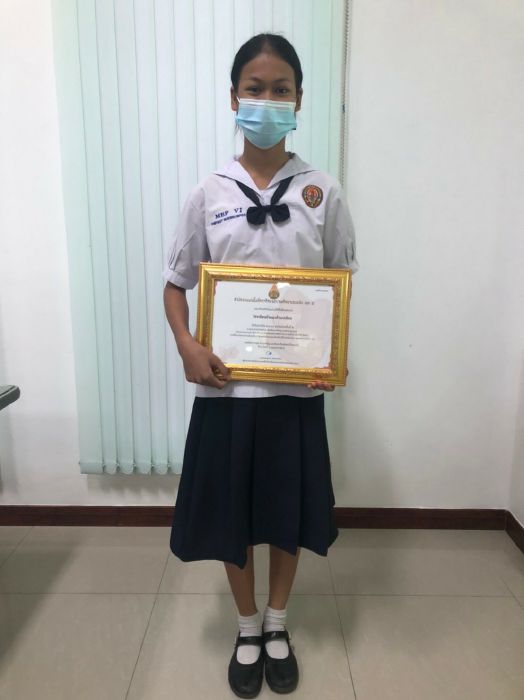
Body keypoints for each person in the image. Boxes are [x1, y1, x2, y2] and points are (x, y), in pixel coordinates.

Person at [163, 32, 359, 698]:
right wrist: (188, 345)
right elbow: (175, 285)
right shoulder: (208, 193)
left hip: (294, 395)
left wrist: (332, 357)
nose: (267, 100)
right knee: (233, 516)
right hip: (227, 395)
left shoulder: (322, 191)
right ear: (233, 98)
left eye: (281, 90)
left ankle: (278, 621)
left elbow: (338, 287)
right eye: (255, 88)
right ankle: (246, 626)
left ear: (298, 100)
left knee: (285, 511)